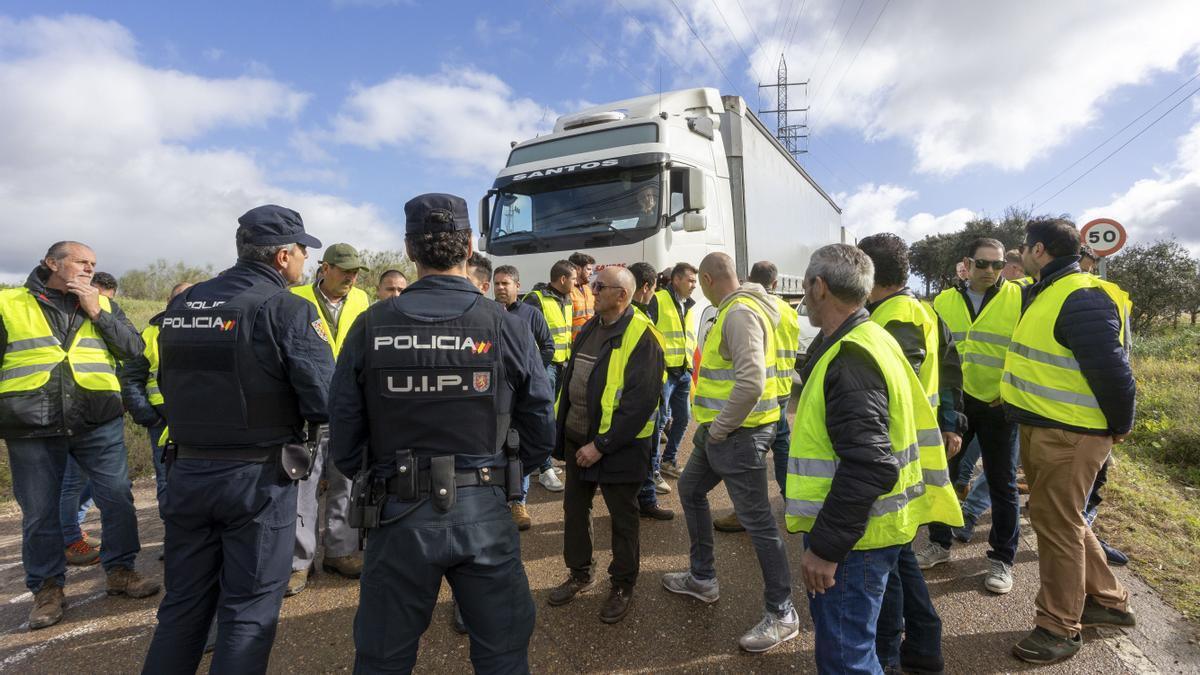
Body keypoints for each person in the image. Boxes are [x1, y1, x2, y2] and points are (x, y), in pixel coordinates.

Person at [328, 193, 555, 673]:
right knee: (503, 656)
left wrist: (379, 475)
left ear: (410, 250)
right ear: (469, 246)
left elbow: (345, 436)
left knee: (382, 658)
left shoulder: (371, 325)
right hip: (486, 512)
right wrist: (506, 472)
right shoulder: (505, 324)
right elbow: (540, 421)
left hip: (396, 515)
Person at [142, 205, 333, 673]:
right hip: (256, 479)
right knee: (248, 609)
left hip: (186, 470)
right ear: (284, 255)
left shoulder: (184, 303)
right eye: (303, 252)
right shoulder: (286, 307)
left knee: (183, 606)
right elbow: (326, 398)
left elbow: (168, 382)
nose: (305, 262)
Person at [786, 243, 960, 675]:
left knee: (846, 658)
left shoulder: (852, 357)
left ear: (818, 286)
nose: (804, 296)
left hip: (854, 540)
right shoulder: (871, 336)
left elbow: (869, 464)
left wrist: (825, 549)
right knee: (859, 647)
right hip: (871, 530)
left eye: (807, 287)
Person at [1, 241, 159, 630]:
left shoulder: (102, 304)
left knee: (118, 499)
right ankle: (47, 589)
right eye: (80, 262)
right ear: (51, 263)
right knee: (39, 512)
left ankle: (121, 572)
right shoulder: (10, 304)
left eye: (93, 263)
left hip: (97, 421)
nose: (89, 269)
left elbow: (133, 350)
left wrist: (97, 313)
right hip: (32, 425)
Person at [1004, 218, 1137, 664]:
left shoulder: (1080, 294)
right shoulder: (1049, 290)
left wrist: (1119, 426)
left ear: (1039, 250)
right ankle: (1108, 602)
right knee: (1064, 520)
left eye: (1024, 247)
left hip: (1071, 433)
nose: (1020, 254)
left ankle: (1058, 629)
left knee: (1058, 528)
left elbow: (1114, 371)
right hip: (1051, 428)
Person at [661, 252, 798, 654]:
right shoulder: (742, 307)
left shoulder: (738, 313)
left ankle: (782, 612)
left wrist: (719, 428)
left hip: (736, 433)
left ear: (706, 278)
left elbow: (751, 381)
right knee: (689, 489)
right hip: (721, 431)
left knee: (758, 524)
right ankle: (702, 579)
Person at [857, 233, 964, 674]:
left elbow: (883, 394)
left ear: (869, 274)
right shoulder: (920, 308)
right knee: (899, 553)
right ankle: (923, 648)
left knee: (889, 554)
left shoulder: (894, 318)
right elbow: (954, 365)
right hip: (914, 443)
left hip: (895, 451)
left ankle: (893, 654)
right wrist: (952, 420)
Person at [547, 266, 665, 624]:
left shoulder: (644, 337)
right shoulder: (589, 328)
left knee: (623, 516)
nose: (591, 290)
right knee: (575, 510)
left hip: (619, 446)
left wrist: (601, 445)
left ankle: (622, 583)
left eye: (599, 287)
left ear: (622, 295)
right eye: (592, 284)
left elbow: (639, 404)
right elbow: (571, 384)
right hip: (577, 438)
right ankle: (580, 572)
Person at [923, 238, 1023, 596]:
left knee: (1003, 483)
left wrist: (1010, 395)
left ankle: (1001, 559)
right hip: (955, 405)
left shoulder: (1019, 297)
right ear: (967, 263)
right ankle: (939, 544)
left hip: (999, 405)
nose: (991, 272)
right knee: (943, 476)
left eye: (997, 265)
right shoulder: (943, 301)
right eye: (983, 264)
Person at [286, 243, 372, 596]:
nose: (351, 278)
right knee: (303, 487)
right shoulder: (295, 298)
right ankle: (299, 562)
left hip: (350, 408)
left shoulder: (362, 300)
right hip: (308, 410)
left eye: (355, 272)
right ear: (325, 268)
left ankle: (340, 551)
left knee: (346, 482)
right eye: (344, 270)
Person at [712, 260, 798, 533]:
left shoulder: (748, 308)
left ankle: (746, 512)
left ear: (749, 278)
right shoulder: (786, 310)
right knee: (782, 448)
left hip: (763, 392)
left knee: (753, 453)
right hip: (782, 387)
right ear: (774, 284)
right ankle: (791, 503)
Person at [120, 281, 195, 508]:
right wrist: (147, 416)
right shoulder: (149, 335)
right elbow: (130, 379)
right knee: (167, 478)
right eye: (181, 299)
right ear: (169, 303)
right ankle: (172, 535)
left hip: (203, 419)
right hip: (162, 421)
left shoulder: (212, 328)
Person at [628, 261, 675, 520]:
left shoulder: (632, 315)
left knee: (645, 451)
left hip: (642, 398)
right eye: (654, 287)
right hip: (643, 400)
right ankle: (645, 499)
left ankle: (643, 498)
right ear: (646, 287)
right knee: (646, 451)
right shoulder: (637, 319)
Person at [654, 262, 698, 480]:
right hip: (665, 372)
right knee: (660, 421)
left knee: (683, 419)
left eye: (695, 282)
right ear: (677, 279)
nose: (694, 286)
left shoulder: (687, 304)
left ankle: (668, 460)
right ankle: (652, 468)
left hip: (683, 370)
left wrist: (690, 367)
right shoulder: (659, 299)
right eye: (690, 280)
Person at [569, 252, 596, 341]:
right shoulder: (568, 292)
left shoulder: (588, 289)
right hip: (574, 343)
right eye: (588, 269)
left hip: (590, 340)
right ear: (578, 269)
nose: (592, 273)